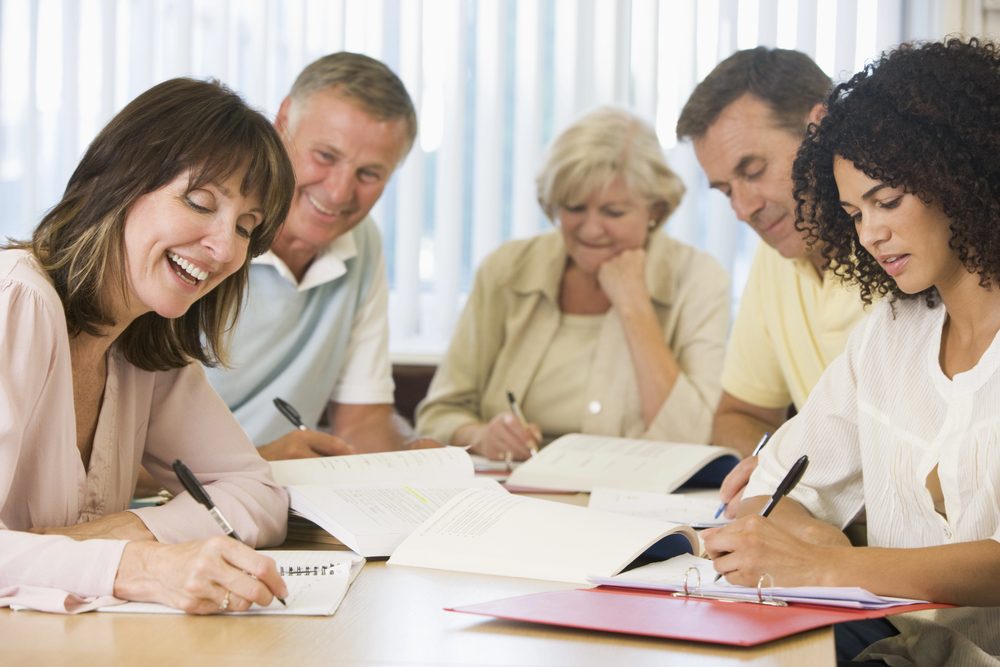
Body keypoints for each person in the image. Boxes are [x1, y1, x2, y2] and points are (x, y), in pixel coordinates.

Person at [704, 38, 1000, 666]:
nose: (871, 234)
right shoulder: (889, 334)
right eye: (852, 212)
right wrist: (805, 540)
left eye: (887, 202)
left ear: (964, 175)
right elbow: (768, 493)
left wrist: (827, 564)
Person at [0, 78, 295, 614]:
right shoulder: (15, 301)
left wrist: (125, 530)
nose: (226, 248)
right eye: (200, 202)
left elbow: (257, 494)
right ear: (118, 182)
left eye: (247, 228)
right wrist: (141, 564)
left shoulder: (146, 341)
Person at [416, 107, 729, 461]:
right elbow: (437, 415)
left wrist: (633, 306)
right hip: (511, 494)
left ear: (654, 209)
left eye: (614, 212)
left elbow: (694, 439)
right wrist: (482, 436)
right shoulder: (506, 270)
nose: (591, 229)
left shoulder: (698, 279)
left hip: (634, 499)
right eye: (575, 207)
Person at [202, 52, 436, 462]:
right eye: (325, 157)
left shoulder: (363, 244)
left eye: (369, 174)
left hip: (276, 499)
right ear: (283, 120)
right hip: (166, 500)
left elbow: (363, 422)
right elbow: (119, 447)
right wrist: (260, 461)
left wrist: (413, 453)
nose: (339, 192)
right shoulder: (205, 228)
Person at [676, 47, 868, 518]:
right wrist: (769, 463)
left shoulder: (903, 249)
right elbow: (738, 416)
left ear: (819, 127)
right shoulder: (775, 253)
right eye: (725, 190)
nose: (742, 209)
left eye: (753, 171)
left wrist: (795, 478)